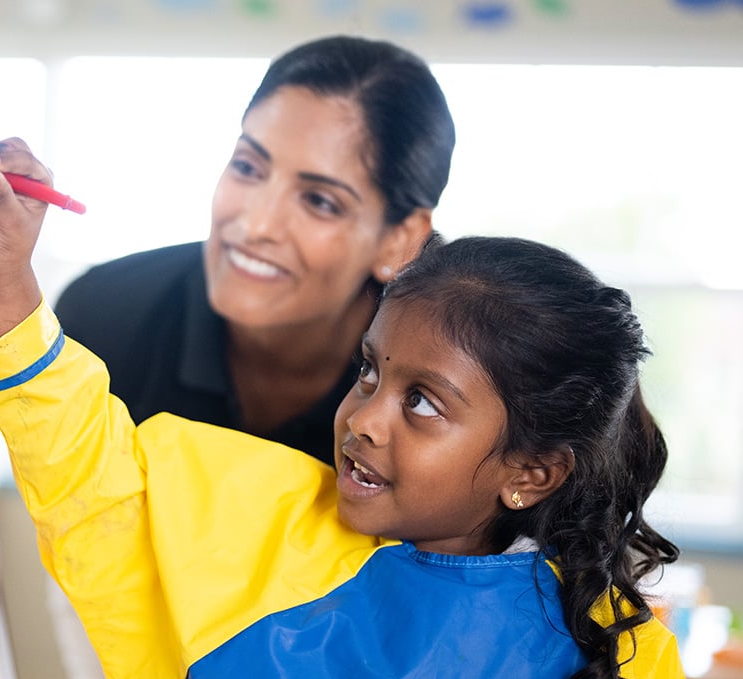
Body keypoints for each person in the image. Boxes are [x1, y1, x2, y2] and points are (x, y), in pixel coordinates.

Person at [0, 145, 695, 679]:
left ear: (531, 473)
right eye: (369, 372)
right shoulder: (260, 522)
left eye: (424, 404)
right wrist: (7, 277)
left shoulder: (618, 654)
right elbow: (88, 464)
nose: (364, 417)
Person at [54, 34, 455, 466]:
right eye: (248, 167)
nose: (255, 224)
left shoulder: (450, 385)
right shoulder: (97, 321)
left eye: (320, 201)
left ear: (401, 240)